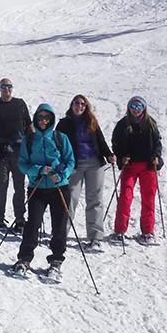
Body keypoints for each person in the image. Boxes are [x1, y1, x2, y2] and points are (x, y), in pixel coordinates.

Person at [11, 104, 75, 279]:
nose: (43, 121)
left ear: (52, 119)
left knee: (59, 226)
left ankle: (56, 261)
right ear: (35, 119)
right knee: (32, 224)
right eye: (40, 117)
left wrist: (61, 175)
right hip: (37, 187)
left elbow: (70, 161)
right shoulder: (29, 139)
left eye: (47, 118)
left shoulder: (60, 138)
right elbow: (22, 163)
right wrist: (38, 170)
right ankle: (24, 259)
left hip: (58, 187)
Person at [55, 94, 115, 250]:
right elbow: (56, 144)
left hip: (95, 163)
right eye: (76, 103)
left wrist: (109, 155)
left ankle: (95, 237)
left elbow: (100, 141)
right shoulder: (64, 124)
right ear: (72, 105)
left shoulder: (91, 121)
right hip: (74, 165)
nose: (79, 106)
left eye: (82, 104)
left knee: (95, 199)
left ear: (86, 106)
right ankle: (61, 234)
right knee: (70, 199)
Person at [110, 96, 163, 245]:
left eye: (139, 107)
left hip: (148, 166)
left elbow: (157, 143)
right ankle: (119, 231)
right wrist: (122, 157)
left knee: (148, 198)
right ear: (129, 108)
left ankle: (147, 232)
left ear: (144, 108)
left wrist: (156, 156)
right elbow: (116, 144)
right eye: (133, 107)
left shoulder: (150, 123)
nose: (136, 110)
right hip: (130, 166)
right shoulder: (122, 124)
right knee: (125, 197)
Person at [0, 78, 32, 229]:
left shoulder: (20, 104)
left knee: (19, 186)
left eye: (9, 86)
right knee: (2, 185)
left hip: (19, 151)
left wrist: (34, 142)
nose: (6, 89)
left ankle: (20, 219)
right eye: (3, 87)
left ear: (12, 88)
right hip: (0, 151)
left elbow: (28, 125)